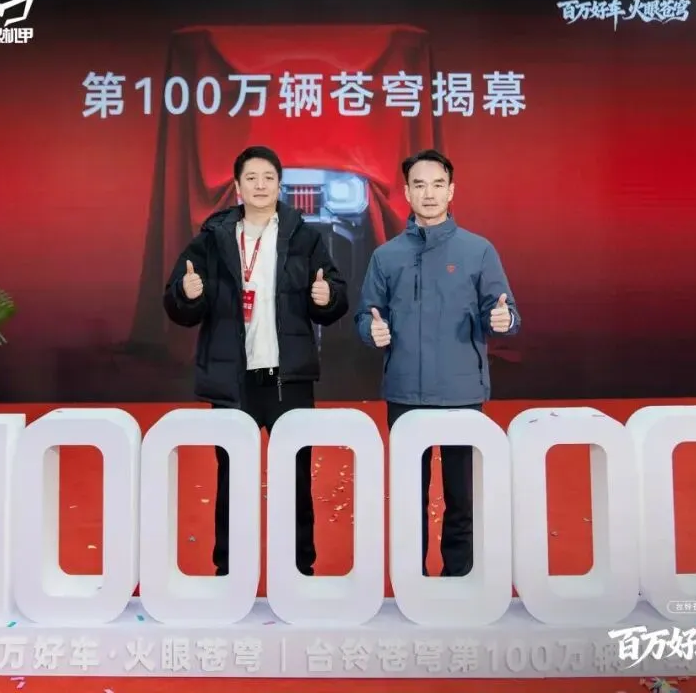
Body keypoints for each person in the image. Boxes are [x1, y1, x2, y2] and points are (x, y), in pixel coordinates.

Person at [163, 145, 349, 577]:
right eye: (251, 178)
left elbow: (334, 295)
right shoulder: (213, 238)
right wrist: (187, 295)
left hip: (289, 380)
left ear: (279, 185)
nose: (260, 185)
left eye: (268, 177)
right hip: (234, 381)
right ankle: (228, 571)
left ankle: (300, 570)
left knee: (295, 478)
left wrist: (327, 297)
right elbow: (178, 302)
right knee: (232, 479)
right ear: (237, 186)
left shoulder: (303, 236)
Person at [355, 149, 520, 577]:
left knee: (461, 496)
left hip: (461, 391)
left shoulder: (478, 251)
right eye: (419, 185)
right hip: (405, 392)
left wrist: (502, 319)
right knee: (410, 495)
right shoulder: (386, 256)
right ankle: (413, 580)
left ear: (451, 191)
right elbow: (366, 314)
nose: (429, 193)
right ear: (407, 193)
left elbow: (504, 310)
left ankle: (459, 578)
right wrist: (371, 330)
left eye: (437, 184)